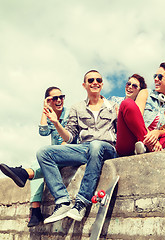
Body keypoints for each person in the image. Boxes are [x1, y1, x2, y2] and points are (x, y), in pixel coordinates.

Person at [35, 69, 118, 224]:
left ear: (102, 84)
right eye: (91, 80)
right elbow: (70, 136)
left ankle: (81, 203)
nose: (95, 82)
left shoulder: (113, 106)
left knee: (95, 146)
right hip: (85, 148)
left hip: (107, 148)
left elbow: (122, 131)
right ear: (84, 85)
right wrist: (56, 123)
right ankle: (63, 201)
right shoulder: (77, 108)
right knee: (43, 153)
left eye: (98, 80)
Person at [0, 86, 75, 227]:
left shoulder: (70, 113)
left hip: (70, 153)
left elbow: (70, 137)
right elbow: (43, 132)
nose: (59, 100)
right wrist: (44, 109)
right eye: (54, 98)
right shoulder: (50, 114)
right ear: (49, 101)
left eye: (61, 97)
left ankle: (33, 207)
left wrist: (56, 154)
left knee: (40, 163)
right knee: (36, 163)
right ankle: (35, 209)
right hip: (55, 156)